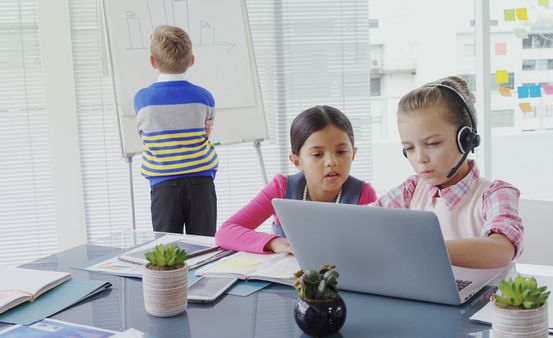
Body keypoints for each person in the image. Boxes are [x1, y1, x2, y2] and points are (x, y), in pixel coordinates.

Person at [374, 76, 523, 269]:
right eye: (409, 148)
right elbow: (365, 223)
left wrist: (424, 249)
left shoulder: (495, 194)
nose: (420, 158)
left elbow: (501, 250)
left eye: (432, 143)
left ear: (466, 139)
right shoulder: (410, 190)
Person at [216, 105, 377, 254]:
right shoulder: (281, 188)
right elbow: (226, 232)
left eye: (341, 152)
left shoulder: (363, 195)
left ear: (353, 154)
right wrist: (276, 243)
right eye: (317, 154)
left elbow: (375, 248)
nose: (332, 162)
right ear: (297, 161)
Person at [134, 25, 218, 236]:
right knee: (204, 246)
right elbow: (206, 132)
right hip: (202, 182)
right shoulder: (205, 97)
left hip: (164, 186)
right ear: (191, 60)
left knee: (167, 250)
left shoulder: (142, 99)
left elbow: (145, 134)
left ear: (152, 61)